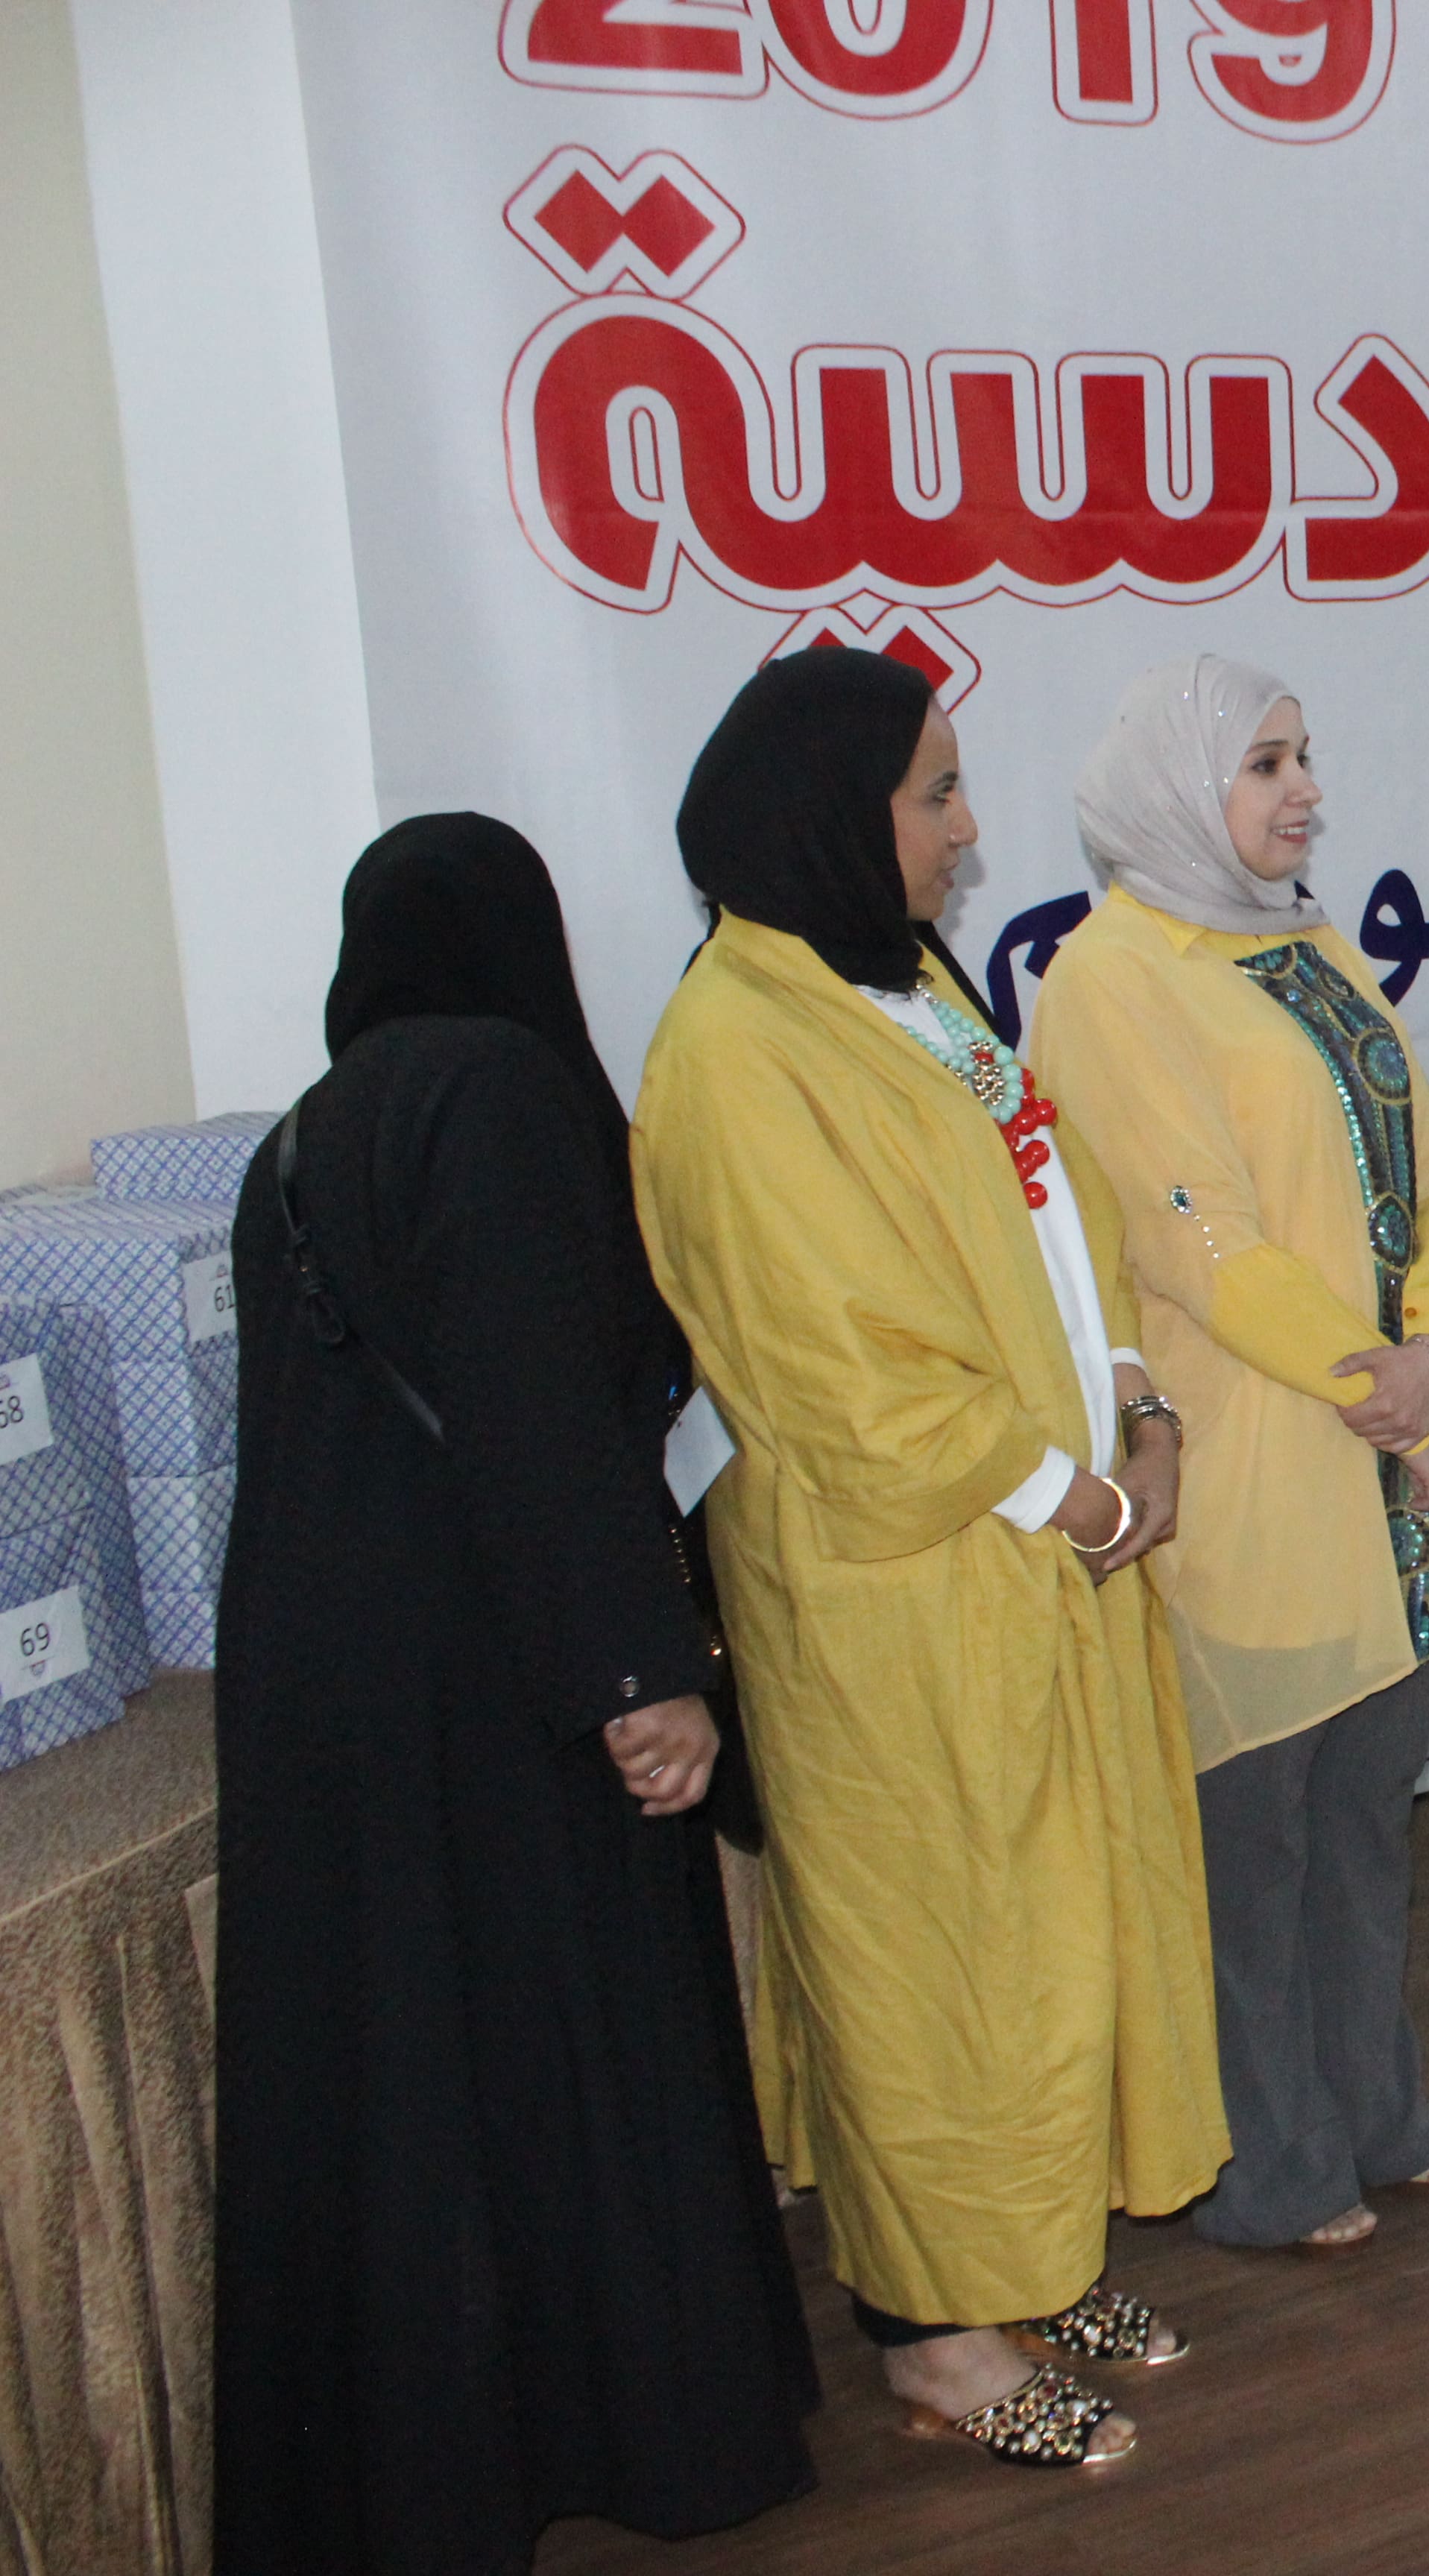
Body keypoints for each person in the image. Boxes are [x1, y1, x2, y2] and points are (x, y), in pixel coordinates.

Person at [634, 647, 1228, 2472]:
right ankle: (931, 2327)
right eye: (936, 794)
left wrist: (1136, 1402)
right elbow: (837, 1364)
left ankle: (1029, 2260)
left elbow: (1064, 1215)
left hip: (1040, 1542)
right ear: (834, 814)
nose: (969, 832)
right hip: (900, 1586)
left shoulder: (904, 988)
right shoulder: (735, 1048)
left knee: (1051, 1928)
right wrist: (1072, 1496)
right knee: (933, 1951)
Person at [216, 817, 815, 2575]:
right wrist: (640, 1671)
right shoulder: (494, 1091)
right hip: (504, 1669)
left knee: (407, 2075)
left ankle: (431, 2475)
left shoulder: (299, 1138)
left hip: (331, 1675)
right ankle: (638, 2424)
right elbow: (535, 1398)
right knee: (566, 2047)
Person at [1030, 657, 1429, 2251]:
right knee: (1254, 1843)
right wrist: (1393, 1388)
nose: (1303, 791)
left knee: (1364, 1818)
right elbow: (1199, 1242)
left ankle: (1374, 2111)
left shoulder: (1306, 947)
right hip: (1251, 1468)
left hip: (1382, 1455)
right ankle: (1264, 2165)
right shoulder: (1110, 977)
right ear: (1179, 791)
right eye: (1265, 765)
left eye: (1304, 757)